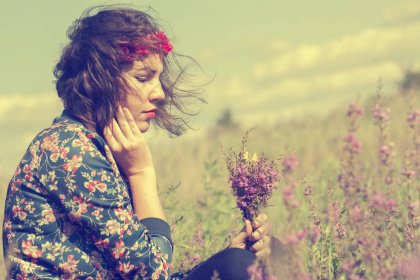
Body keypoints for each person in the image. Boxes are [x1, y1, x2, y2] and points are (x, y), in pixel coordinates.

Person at [2, 6, 273, 279]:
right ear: (99, 81)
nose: (160, 93)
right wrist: (141, 173)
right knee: (238, 267)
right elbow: (151, 274)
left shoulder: (92, 146)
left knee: (252, 258)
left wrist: (228, 257)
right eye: (143, 78)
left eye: (158, 78)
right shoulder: (69, 151)